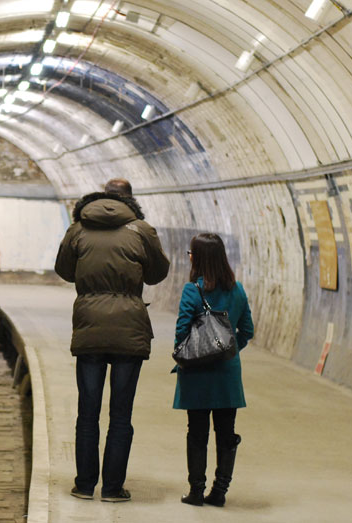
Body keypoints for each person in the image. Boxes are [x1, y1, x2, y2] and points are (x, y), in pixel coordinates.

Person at [54, 178, 170, 502]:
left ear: (104, 196)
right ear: (131, 201)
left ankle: (84, 484)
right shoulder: (141, 230)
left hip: (90, 326)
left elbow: (63, 269)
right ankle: (113, 488)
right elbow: (157, 273)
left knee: (87, 412)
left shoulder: (78, 229)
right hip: (129, 330)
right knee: (121, 414)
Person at [174, 233, 254, 508]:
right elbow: (248, 331)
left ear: (198, 258)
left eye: (191, 253)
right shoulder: (238, 290)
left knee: (197, 432)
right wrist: (228, 352)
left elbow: (182, 330)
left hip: (196, 373)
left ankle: (196, 491)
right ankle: (220, 492)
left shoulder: (192, 290)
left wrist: (188, 355)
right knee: (226, 431)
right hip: (227, 374)